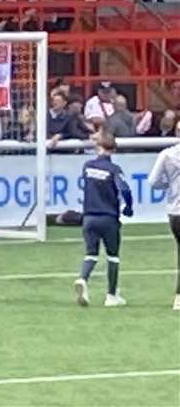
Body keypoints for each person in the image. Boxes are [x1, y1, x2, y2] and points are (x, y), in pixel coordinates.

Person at [73, 130, 133, 307]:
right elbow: (124, 189)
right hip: (108, 217)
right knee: (113, 256)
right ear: (113, 150)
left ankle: (83, 279)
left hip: (89, 216)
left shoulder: (87, 166)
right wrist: (128, 207)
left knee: (91, 253)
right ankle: (111, 295)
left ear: (97, 147)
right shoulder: (114, 169)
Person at [143, 140, 180, 311]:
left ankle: (179, 297)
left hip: (175, 211)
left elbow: (153, 181)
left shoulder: (167, 154)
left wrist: (168, 185)